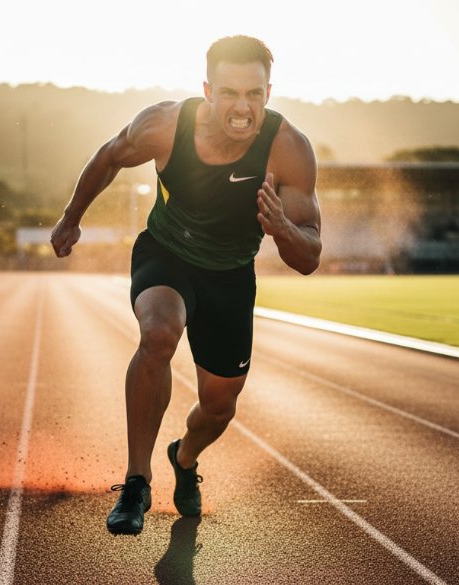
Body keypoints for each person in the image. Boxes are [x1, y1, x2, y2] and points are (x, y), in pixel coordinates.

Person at [50, 35, 322, 536]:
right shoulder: (164, 125)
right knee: (158, 334)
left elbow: (309, 255)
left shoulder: (288, 149)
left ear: (268, 93)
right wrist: (71, 218)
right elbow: (110, 156)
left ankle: (185, 456)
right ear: (207, 89)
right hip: (167, 253)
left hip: (231, 275)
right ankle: (136, 482)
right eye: (229, 93)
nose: (242, 107)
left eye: (255, 95)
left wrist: (282, 228)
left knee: (219, 406)